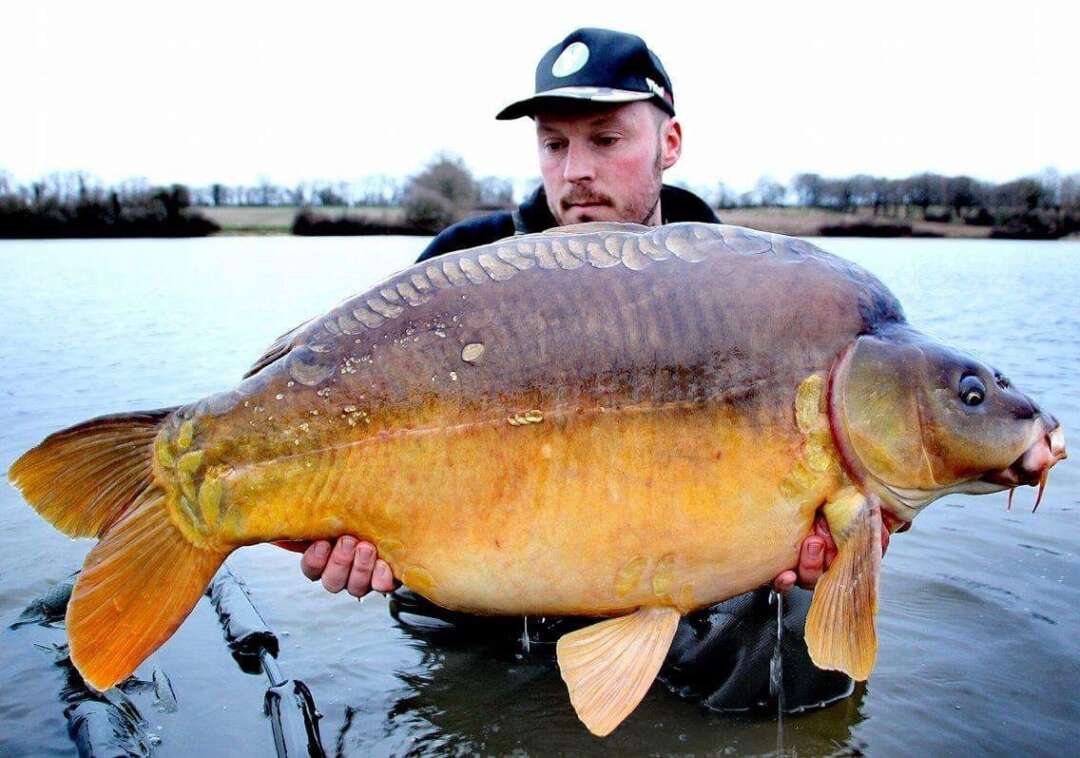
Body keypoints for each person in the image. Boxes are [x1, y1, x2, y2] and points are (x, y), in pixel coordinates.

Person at [297, 28, 890, 711]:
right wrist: (353, 536)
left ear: (670, 142)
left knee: (792, 633)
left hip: (673, 563)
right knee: (466, 685)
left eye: (605, 140)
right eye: (555, 144)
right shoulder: (460, 264)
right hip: (483, 574)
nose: (575, 169)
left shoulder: (745, 292)